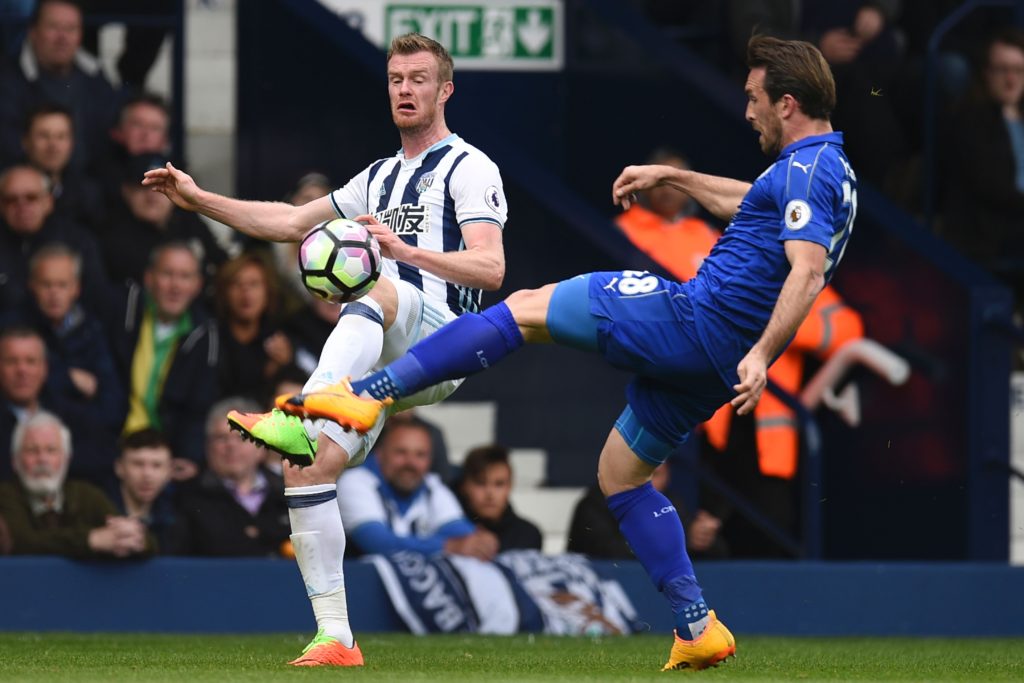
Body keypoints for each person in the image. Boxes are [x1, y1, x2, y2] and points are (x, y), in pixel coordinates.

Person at [278, 35, 856, 671]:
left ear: (789, 102)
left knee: (525, 308)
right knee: (620, 474)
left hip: (696, 322)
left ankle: (366, 395)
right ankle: (697, 625)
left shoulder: (808, 170)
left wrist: (765, 353)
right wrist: (672, 176)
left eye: (754, 99)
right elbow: (752, 204)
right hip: (712, 365)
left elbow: (805, 270)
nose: (747, 112)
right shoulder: (821, 169)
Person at [142, 33, 507, 667]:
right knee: (306, 467)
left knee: (376, 289)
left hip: (447, 333)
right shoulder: (379, 177)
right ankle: (336, 635)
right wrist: (198, 199)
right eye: (396, 78)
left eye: (419, 79)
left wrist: (404, 252)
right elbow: (288, 223)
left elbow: (491, 268)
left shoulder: (470, 167)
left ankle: (304, 407)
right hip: (389, 349)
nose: (405, 89)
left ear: (445, 89)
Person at [4, 244, 126, 480]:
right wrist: (66, 378)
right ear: (32, 286)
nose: (54, 293)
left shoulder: (92, 330)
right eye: (46, 285)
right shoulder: (10, 326)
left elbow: (112, 406)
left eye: (62, 285)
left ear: (76, 289)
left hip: (76, 441)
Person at [109, 242, 219, 481]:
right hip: (113, 442)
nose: (175, 286)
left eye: (185, 277)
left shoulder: (205, 335)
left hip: (165, 455)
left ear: (197, 285)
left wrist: (189, 455)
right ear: (149, 278)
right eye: (167, 274)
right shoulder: (124, 311)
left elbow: (198, 406)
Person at [338, 415, 497, 559]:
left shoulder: (431, 486)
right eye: (401, 452)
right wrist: (448, 546)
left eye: (420, 455)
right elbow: (379, 544)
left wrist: (481, 542)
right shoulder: (353, 482)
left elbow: (460, 531)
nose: (411, 463)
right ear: (380, 454)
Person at [0, 410, 152, 558]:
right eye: (32, 451)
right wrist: (91, 540)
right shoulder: (4, 495)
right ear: (15, 461)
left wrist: (134, 537)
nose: (42, 459)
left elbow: (149, 543)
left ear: (67, 459)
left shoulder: (86, 495)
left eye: (51, 450)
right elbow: (20, 542)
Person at [943, 29, 1024, 287]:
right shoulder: (971, 120)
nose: (1011, 79)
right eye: (1003, 70)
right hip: (993, 233)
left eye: (1019, 70)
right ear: (986, 73)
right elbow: (991, 187)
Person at [0, 0, 118, 173]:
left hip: (91, 187)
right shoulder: (7, 80)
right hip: (28, 186)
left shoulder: (96, 78)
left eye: (71, 28)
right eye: (53, 27)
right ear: (33, 31)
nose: (62, 37)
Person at [166, 397, 290, 557]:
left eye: (242, 437)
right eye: (221, 438)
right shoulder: (186, 497)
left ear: (262, 446)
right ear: (207, 446)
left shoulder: (289, 493)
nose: (231, 446)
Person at [0, 164, 109, 315]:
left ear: (48, 202)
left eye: (31, 198)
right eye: (11, 200)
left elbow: (97, 297)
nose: (22, 206)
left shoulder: (78, 241)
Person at [568, 461, 726, 559]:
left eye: (656, 474)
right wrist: (678, 540)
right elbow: (610, 553)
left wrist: (703, 539)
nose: (647, 484)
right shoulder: (596, 503)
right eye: (641, 475)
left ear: (668, 475)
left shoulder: (670, 502)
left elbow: (718, 553)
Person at [615, 148, 720, 282]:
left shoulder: (707, 232)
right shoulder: (624, 228)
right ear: (645, 186)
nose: (667, 190)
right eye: (661, 182)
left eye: (674, 183)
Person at [214, 252, 293, 403]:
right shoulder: (210, 337)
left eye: (254, 284)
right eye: (236, 284)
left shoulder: (278, 338)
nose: (246, 293)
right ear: (224, 292)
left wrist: (284, 365)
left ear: (268, 292)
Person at [20, 103, 104, 230]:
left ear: (72, 143)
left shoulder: (88, 194)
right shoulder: (7, 188)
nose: (53, 146)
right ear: (25, 142)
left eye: (61, 137)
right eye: (43, 136)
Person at [454, 444, 542, 552]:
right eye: (480, 483)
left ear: (510, 486)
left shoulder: (528, 535)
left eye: (499, 484)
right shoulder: (448, 533)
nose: (490, 493)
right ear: (464, 486)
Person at [110, 428, 176, 551]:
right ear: (119, 468)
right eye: (138, 464)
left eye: (157, 465)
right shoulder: (96, 512)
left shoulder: (178, 517)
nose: (147, 474)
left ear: (169, 472)